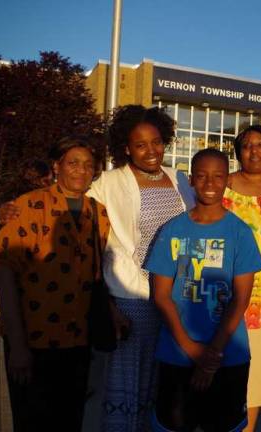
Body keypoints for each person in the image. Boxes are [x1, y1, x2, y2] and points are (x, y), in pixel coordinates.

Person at [90, 105, 195, 431]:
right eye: (140, 144)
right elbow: (73, 211)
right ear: (125, 147)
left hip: (179, 297)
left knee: (167, 386)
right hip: (133, 297)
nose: (151, 151)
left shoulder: (178, 180)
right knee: (129, 385)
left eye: (157, 142)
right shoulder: (108, 183)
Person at [0, 136, 110, 431]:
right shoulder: (27, 206)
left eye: (88, 165)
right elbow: (5, 275)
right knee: (32, 421)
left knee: (70, 420)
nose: (81, 171)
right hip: (34, 339)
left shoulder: (98, 213)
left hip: (77, 341)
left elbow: (95, 274)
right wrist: (18, 346)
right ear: (57, 166)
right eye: (73, 163)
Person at [145, 148, 261, 432]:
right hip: (178, 352)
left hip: (226, 355)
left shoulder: (240, 232)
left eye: (218, 176)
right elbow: (161, 296)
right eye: (202, 176)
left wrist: (211, 356)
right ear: (191, 181)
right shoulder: (172, 230)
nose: (210, 184)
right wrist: (190, 348)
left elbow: (240, 298)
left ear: (226, 180)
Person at [222, 125, 261, 431]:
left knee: (256, 383)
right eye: (247, 145)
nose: (254, 150)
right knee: (220, 379)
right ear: (237, 154)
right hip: (223, 298)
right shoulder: (221, 189)